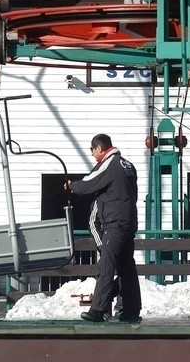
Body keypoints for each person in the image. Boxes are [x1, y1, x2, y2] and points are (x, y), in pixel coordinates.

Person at [64, 134, 142, 323]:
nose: (92, 154)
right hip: (129, 221)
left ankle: (98, 310)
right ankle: (131, 310)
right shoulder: (128, 165)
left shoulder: (110, 163)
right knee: (127, 267)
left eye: (92, 150)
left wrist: (72, 186)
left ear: (100, 148)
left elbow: (91, 182)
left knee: (106, 265)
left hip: (114, 223)